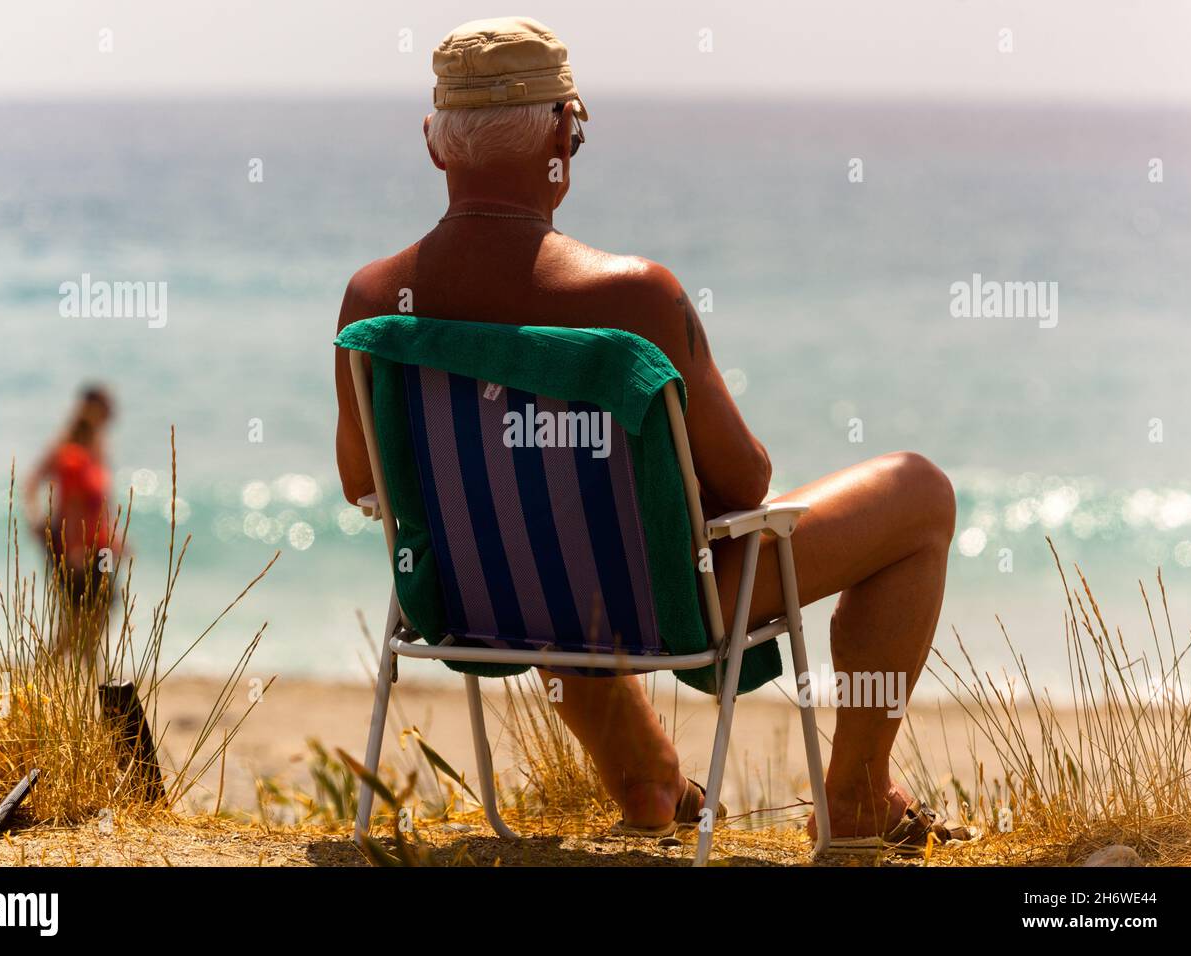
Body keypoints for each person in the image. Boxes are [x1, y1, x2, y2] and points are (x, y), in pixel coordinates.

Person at [333, 17, 963, 850]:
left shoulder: (372, 302)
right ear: (563, 132)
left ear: (434, 145)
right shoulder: (635, 297)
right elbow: (745, 484)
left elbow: (361, 482)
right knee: (918, 492)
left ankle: (644, 774)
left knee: (544, 526)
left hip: (477, 599)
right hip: (661, 607)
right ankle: (853, 796)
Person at [24, 385, 119, 659]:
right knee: (80, 612)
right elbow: (73, 502)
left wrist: (115, 536)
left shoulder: (97, 447)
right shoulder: (71, 453)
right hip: (76, 545)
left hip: (100, 545)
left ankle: (81, 666)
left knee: (103, 605)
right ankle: (62, 664)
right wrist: (37, 522)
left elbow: (100, 502)